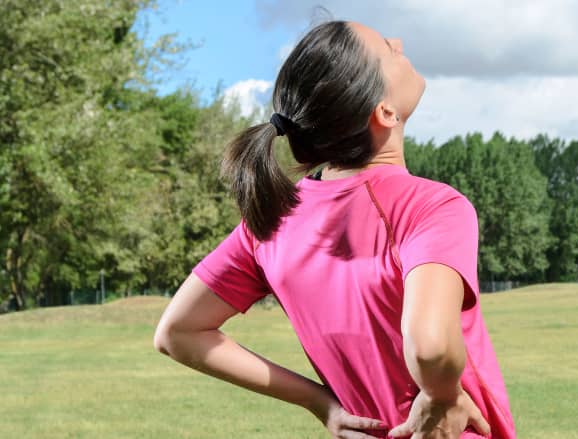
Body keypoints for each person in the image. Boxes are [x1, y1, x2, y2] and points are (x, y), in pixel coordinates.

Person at [153, 20, 516, 439]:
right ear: (384, 112)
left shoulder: (272, 221)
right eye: (387, 49)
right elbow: (430, 346)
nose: (398, 42)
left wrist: (318, 401)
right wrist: (443, 395)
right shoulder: (433, 207)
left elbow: (177, 333)